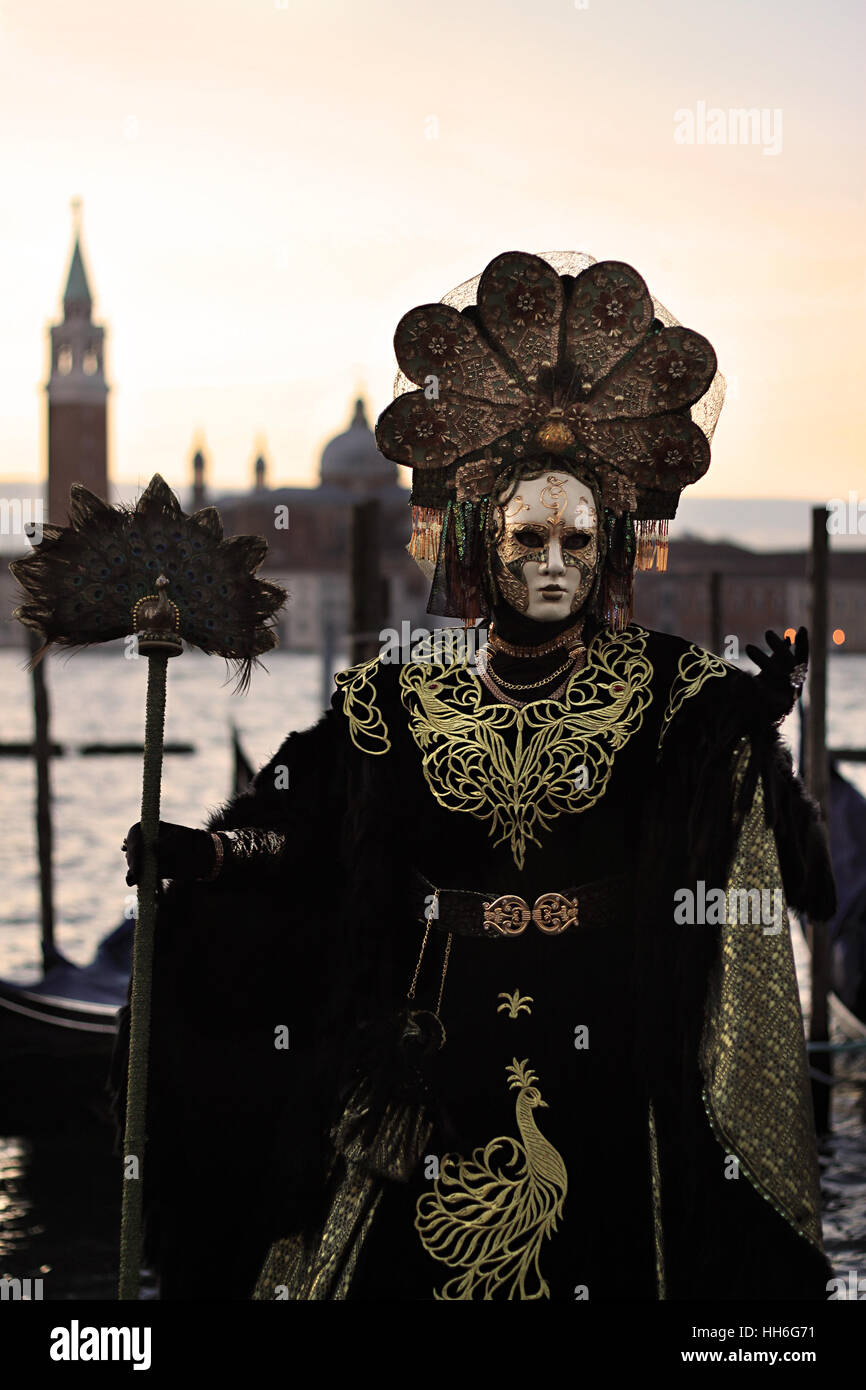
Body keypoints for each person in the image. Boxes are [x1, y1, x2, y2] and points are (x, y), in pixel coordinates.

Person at [115, 250, 835, 1301]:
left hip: (605, 1043)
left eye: (578, 540)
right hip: (431, 1037)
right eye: (528, 536)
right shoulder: (402, 694)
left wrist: (747, 727)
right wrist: (214, 851)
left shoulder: (671, 689)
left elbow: (742, 846)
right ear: (480, 543)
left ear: (609, 551)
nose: (553, 563)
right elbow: (304, 822)